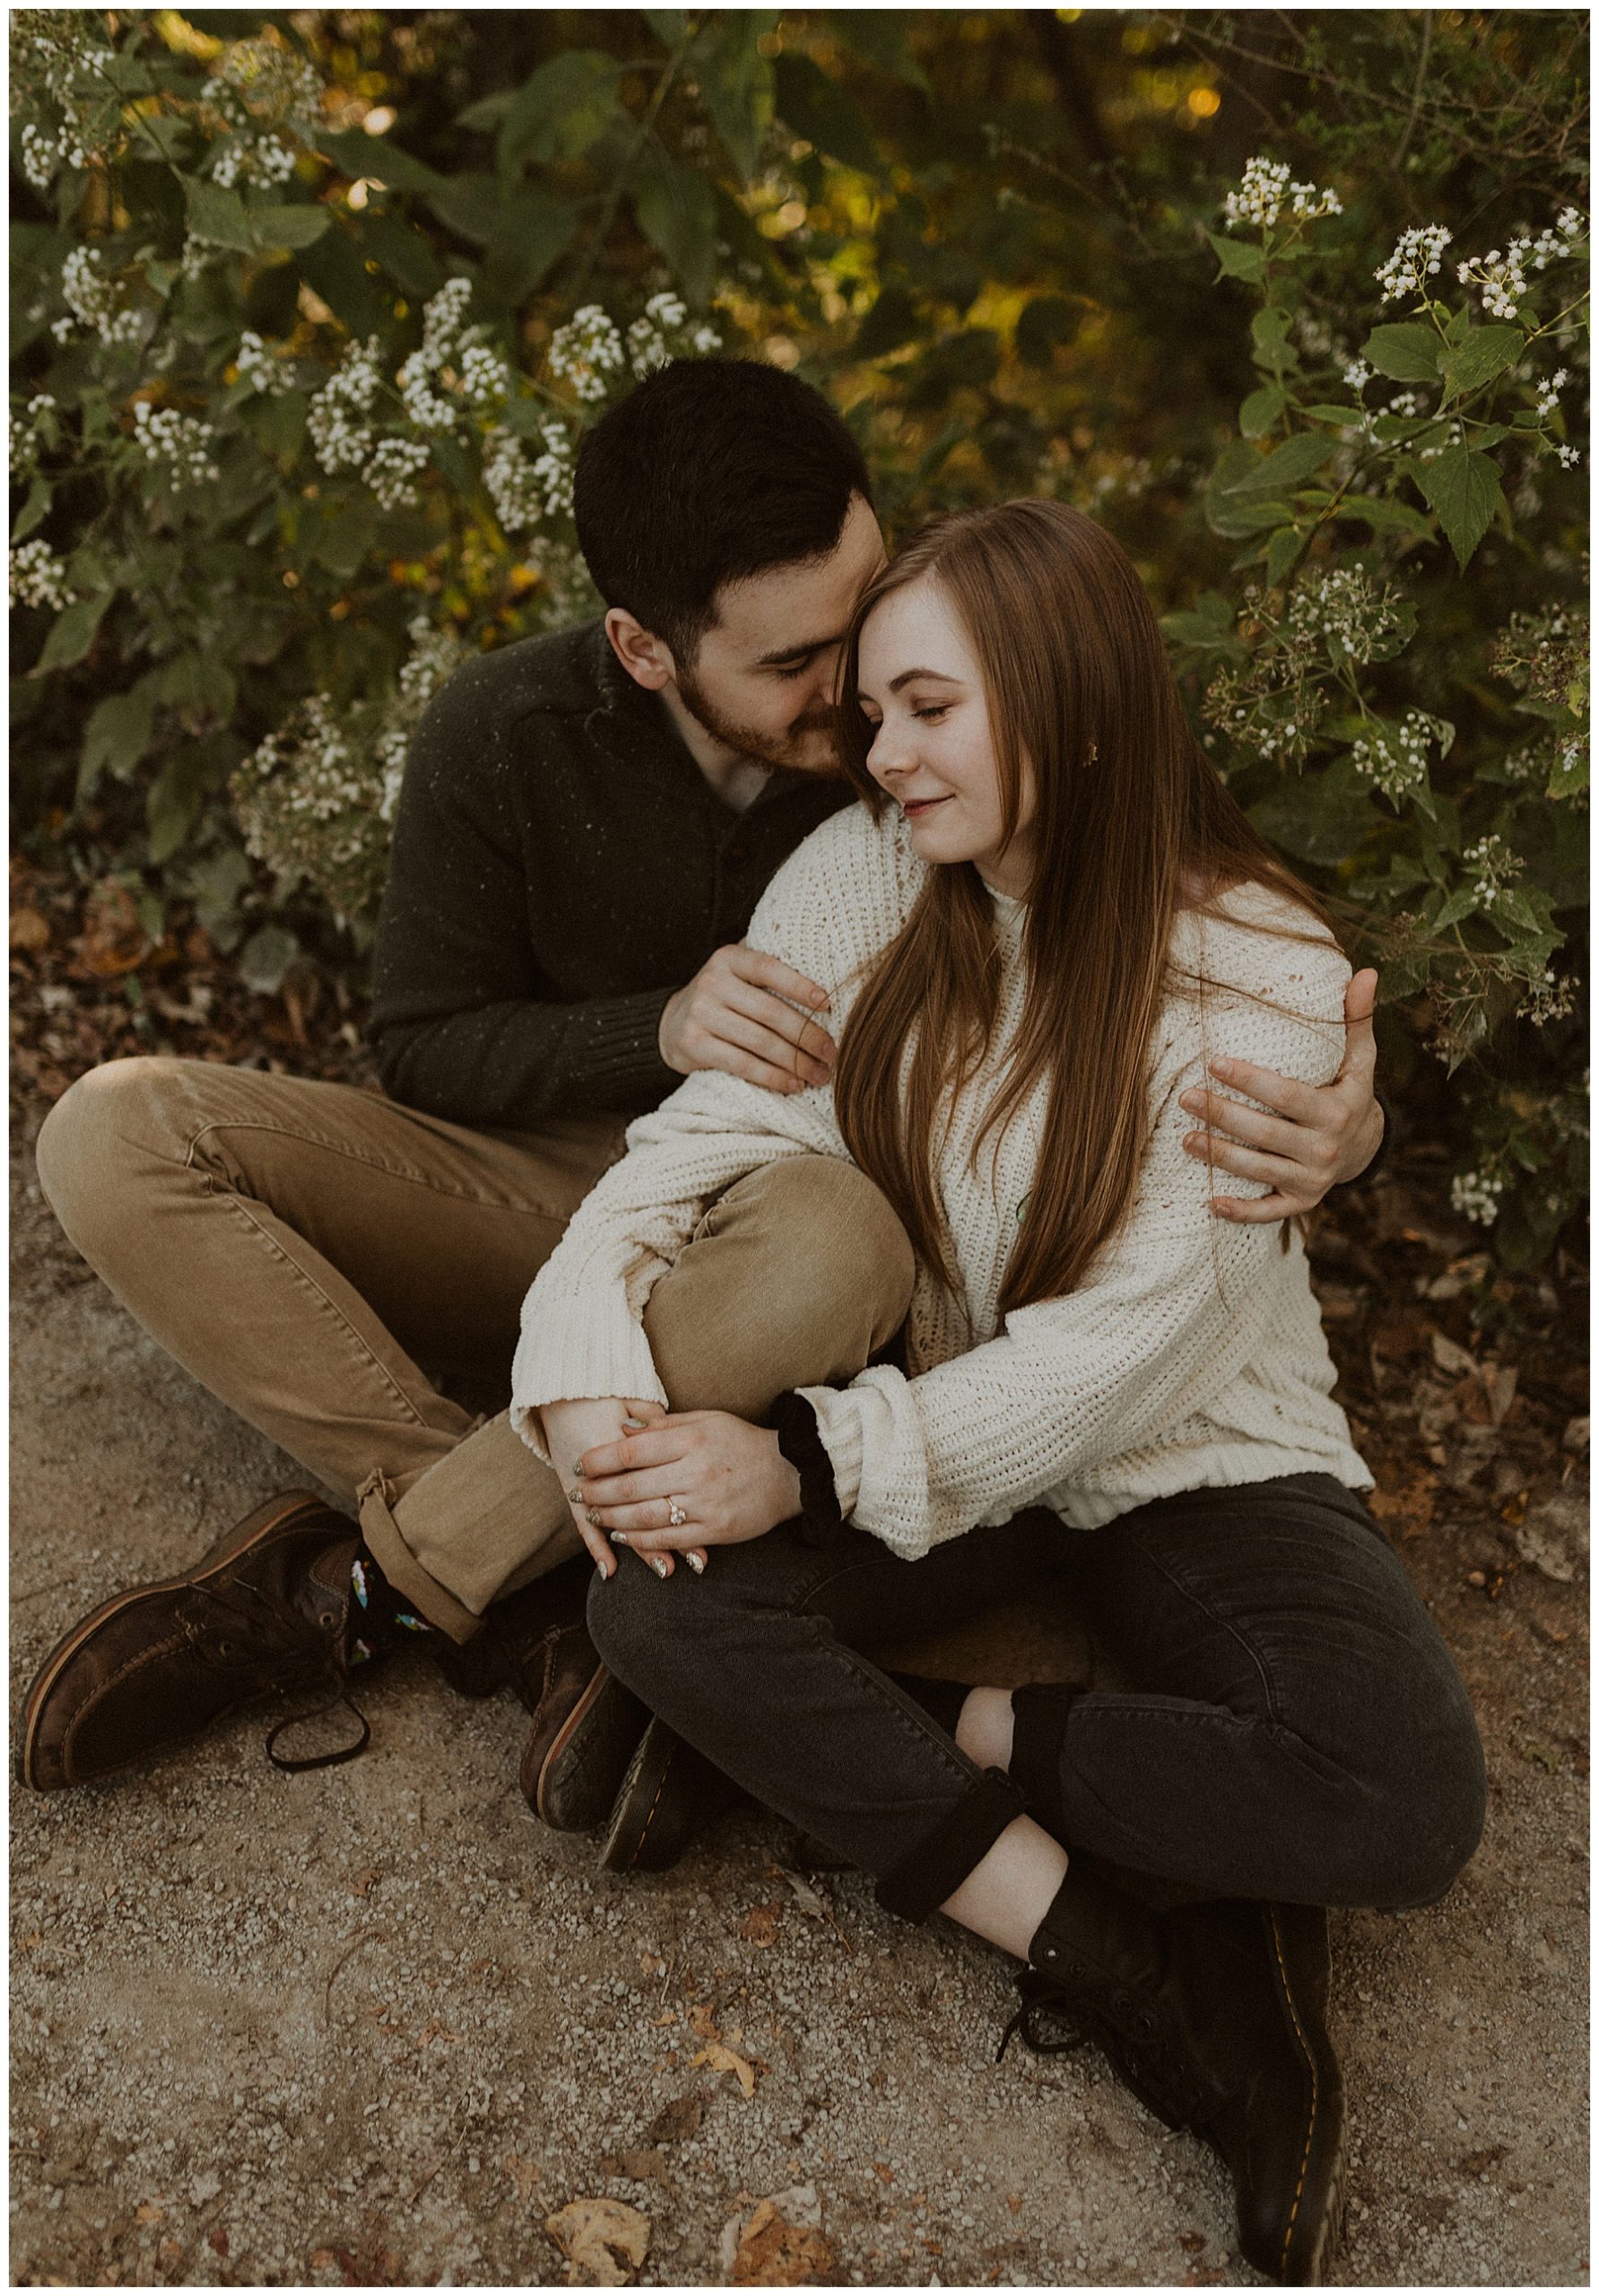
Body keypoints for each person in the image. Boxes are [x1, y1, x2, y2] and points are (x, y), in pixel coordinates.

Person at [20, 363, 1383, 1859]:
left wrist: (1342, 1120)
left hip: (816, 1228)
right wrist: (651, 1026)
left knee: (829, 1239)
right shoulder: (509, 731)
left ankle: (373, 1585)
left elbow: (1142, 903)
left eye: (874, 636)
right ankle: (518, 1564)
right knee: (114, 1130)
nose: (861, 706)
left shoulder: (935, 748)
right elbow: (421, 1047)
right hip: (584, 1184)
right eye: (809, 665)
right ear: (646, 650)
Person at [510, 501, 1486, 2283]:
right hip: (949, 1433)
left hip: (1193, 1452)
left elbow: (1122, 1358)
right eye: (873, 710)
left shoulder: (1259, 976)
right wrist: (592, 1403)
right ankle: (1114, 1962)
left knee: (1397, 1793)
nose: (881, 755)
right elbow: (682, 1159)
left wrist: (800, 1460)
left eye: (927, 709)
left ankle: (917, 1723)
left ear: (1078, 706)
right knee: (654, 1609)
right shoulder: (876, 877)